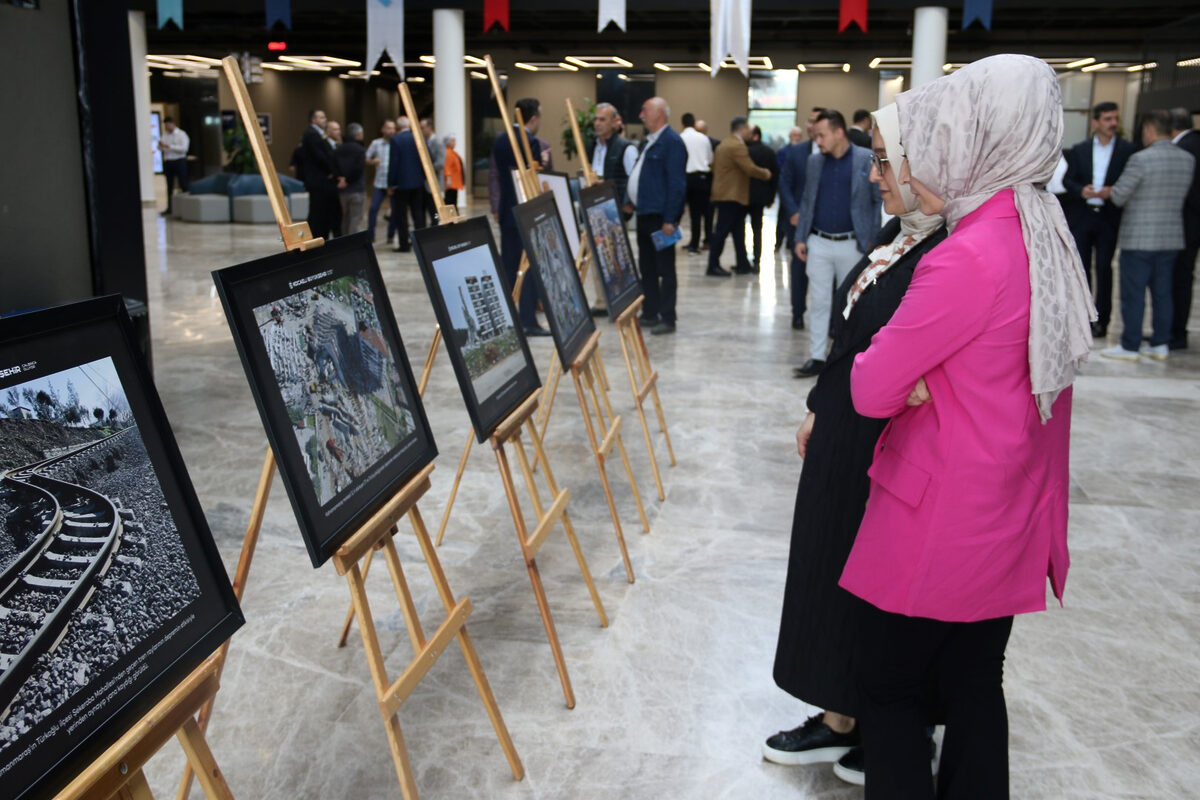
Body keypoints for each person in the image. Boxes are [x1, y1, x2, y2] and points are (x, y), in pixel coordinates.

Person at [842, 54, 1094, 799]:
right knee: (977, 681)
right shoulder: (1037, 234)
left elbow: (868, 385)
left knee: (889, 692)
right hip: (1007, 506)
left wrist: (907, 378)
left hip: (941, 517)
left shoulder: (967, 257)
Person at [764, 102, 947, 787]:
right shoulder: (903, 234)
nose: (876, 178)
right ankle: (840, 713)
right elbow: (852, 335)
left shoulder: (946, 248)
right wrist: (819, 404)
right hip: (846, 429)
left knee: (875, 583)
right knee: (827, 567)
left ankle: (884, 720)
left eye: (886, 163)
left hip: (887, 442)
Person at [1100, 109, 1195, 361]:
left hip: (1139, 238)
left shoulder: (1141, 159)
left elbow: (1119, 196)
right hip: (1171, 237)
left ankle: (1130, 345)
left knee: (1134, 293)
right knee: (1163, 292)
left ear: (1150, 130)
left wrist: (1107, 191)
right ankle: (1160, 343)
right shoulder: (1187, 159)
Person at [793, 109, 882, 376]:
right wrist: (801, 237)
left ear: (839, 132)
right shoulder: (814, 162)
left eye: (822, 135)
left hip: (852, 244)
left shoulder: (865, 158)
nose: (817, 140)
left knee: (851, 304)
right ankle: (818, 357)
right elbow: (808, 200)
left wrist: (872, 238)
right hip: (819, 241)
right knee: (819, 301)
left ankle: (846, 359)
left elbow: (878, 199)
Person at [1062, 102, 1136, 339]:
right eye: (1107, 119)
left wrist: (1113, 191)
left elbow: (1131, 182)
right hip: (1083, 216)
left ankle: (1103, 320)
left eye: (1115, 118)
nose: (1112, 123)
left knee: (1105, 269)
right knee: (1082, 270)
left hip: (1108, 217)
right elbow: (1068, 180)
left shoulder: (1127, 151)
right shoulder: (1080, 149)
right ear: (1096, 123)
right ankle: (1084, 317)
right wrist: (1081, 190)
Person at [626, 96, 687, 334]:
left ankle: (667, 316)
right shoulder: (649, 142)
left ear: (659, 113)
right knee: (647, 267)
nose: (641, 116)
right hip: (644, 214)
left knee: (665, 268)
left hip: (661, 218)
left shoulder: (672, 142)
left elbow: (677, 185)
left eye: (644, 111)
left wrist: (670, 219)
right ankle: (650, 311)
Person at [492, 97, 549, 335]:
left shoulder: (501, 140)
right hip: (526, 210)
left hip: (508, 212)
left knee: (509, 267)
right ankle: (527, 321)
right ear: (533, 118)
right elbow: (531, 174)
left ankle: (505, 320)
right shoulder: (529, 142)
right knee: (528, 269)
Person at [708, 116, 773, 276]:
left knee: (738, 231)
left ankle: (742, 264)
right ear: (742, 129)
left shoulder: (724, 143)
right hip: (731, 195)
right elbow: (749, 168)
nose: (749, 134)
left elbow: (713, 166)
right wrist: (766, 173)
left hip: (726, 194)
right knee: (722, 232)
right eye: (748, 130)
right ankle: (713, 265)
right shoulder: (737, 146)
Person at [779, 108, 824, 331]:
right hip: (798, 223)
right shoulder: (797, 152)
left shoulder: (833, 153)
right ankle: (797, 313)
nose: (812, 125)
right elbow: (784, 184)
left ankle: (830, 320)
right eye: (810, 121)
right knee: (798, 270)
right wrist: (793, 212)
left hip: (824, 224)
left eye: (817, 121)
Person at [1170, 107, 1200, 350]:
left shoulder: (1183, 149)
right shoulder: (1195, 143)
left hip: (1185, 224)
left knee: (1180, 278)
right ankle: (1177, 330)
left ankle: (1176, 332)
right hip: (1192, 223)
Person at [299, 109, 344, 240]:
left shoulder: (317, 134)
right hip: (319, 180)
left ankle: (320, 235)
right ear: (313, 120)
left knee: (322, 211)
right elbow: (321, 157)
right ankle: (315, 237)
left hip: (321, 180)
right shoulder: (312, 134)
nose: (324, 119)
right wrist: (331, 171)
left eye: (324, 117)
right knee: (318, 211)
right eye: (321, 117)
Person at [387, 117, 425, 252]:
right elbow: (427, 158)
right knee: (418, 213)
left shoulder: (396, 140)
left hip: (402, 184)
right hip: (417, 182)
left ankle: (404, 244)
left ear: (398, 127)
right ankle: (421, 243)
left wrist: (390, 184)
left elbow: (394, 163)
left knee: (401, 215)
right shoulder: (418, 138)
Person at [589, 102, 637, 208]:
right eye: (595, 119)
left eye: (602, 119)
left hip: (618, 210)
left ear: (614, 122)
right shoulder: (592, 146)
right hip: (595, 206)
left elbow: (635, 181)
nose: (597, 123)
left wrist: (628, 207)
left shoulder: (626, 148)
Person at [679, 112, 714, 254]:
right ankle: (696, 243)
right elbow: (710, 159)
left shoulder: (679, 138)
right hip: (702, 178)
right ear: (694, 123)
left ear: (682, 124)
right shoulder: (703, 138)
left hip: (685, 177)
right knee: (699, 213)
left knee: (680, 212)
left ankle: (680, 241)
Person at [746, 125, 780, 270]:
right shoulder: (769, 152)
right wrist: (771, 197)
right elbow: (775, 176)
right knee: (757, 229)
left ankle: (743, 261)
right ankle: (757, 260)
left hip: (745, 195)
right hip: (761, 196)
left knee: (739, 229)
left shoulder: (745, 151)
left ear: (755, 136)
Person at [366, 119, 397, 244]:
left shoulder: (396, 143)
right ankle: (370, 234)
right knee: (373, 209)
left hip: (393, 184)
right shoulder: (376, 143)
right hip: (380, 182)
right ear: (383, 129)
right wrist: (373, 161)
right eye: (388, 128)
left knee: (395, 210)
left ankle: (391, 234)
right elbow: (367, 158)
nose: (391, 130)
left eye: (393, 128)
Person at [775, 126, 805, 253]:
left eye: (798, 135)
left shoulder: (804, 152)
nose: (796, 138)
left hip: (799, 192)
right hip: (786, 191)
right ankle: (778, 242)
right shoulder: (783, 151)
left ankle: (790, 243)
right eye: (794, 135)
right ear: (790, 136)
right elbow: (780, 171)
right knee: (782, 217)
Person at [336, 123, 367, 235]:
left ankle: (344, 241)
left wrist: (341, 180)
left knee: (346, 218)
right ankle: (352, 243)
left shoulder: (339, 149)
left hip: (343, 190)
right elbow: (358, 169)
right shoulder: (359, 149)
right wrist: (348, 180)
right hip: (356, 188)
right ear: (358, 134)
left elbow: (335, 166)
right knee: (355, 218)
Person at [158, 116, 190, 216]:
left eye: (168, 124)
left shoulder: (181, 134)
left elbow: (184, 148)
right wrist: (161, 146)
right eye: (165, 125)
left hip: (179, 161)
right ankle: (170, 208)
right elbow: (161, 148)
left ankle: (187, 207)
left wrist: (170, 146)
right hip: (169, 162)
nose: (167, 126)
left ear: (173, 124)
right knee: (169, 186)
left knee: (183, 184)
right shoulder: (165, 135)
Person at [420, 118, 445, 225]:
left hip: (434, 185)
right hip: (424, 185)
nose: (421, 130)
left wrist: (425, 168)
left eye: (422, 128)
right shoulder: (423, 141)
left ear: (429, 128)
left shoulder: (437, 142)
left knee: (434, 213)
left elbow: (440, 163)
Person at [325, 120, 345, 236]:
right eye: (335, 129)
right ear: (328, 131)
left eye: (339, 129)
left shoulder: (338, 145)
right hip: (329, 185)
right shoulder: (325, 144)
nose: (339, 132)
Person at [442, 133, 464, 210]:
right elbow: (447, 166)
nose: (454, 143)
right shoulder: (448, 152)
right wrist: (448, 179)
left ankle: (453, 218)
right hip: (451, 183)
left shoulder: (452, 152)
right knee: (450, 202)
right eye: (452, 141)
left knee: (453, 201)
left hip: (454, 182)